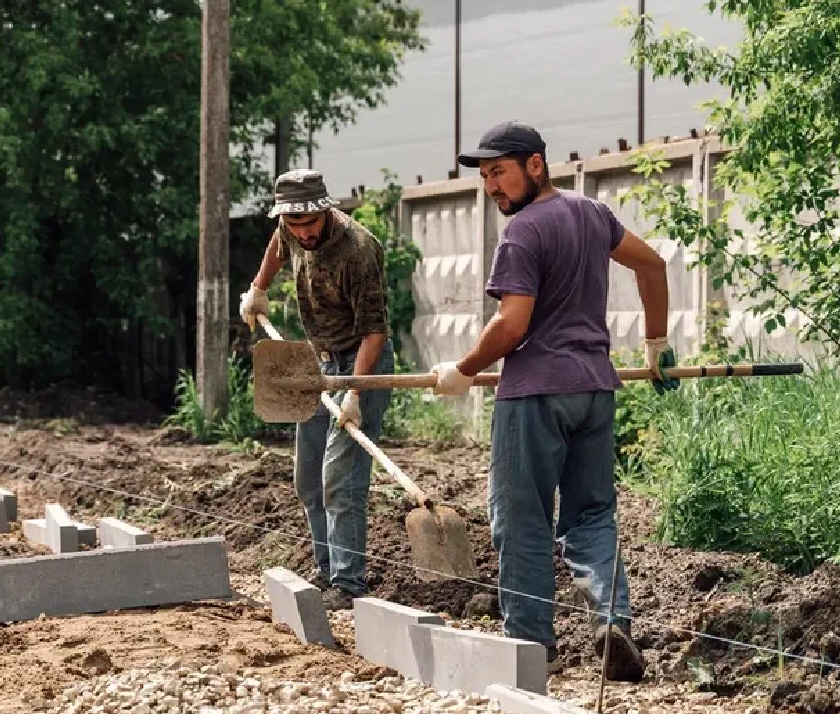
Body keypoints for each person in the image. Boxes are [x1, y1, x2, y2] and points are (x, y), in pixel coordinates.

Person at [430, 121, 674, 680]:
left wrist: (464, 371)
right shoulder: (593, 215)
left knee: (523, 522)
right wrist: (656, 343)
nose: (492, 186)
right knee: (592, 517)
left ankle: (529, 649)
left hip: (537, 394)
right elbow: (653, 264)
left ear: (535, 165)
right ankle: (612, 620)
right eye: (486, 176)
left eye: (499, 172)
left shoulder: (522, 235)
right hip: (594, 389)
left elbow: (512, 323)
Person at [240, 169, 394, 610]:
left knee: (340, 479)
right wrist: (258, 288)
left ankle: (348, 584)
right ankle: (327, 574)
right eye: (295, 225)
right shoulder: (290, 228)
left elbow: (375, 331)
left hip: (360, 364)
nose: (303, 234)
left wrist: (356, 392)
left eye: (309, 224)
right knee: (308, 477)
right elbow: (277, 245)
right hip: (316, 360)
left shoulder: (358, 250)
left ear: (325, 210)